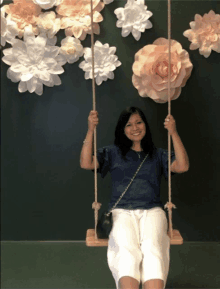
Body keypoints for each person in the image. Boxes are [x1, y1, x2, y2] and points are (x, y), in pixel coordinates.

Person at [80, 107, 189, 289]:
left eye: (139, 122)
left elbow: (182, 165)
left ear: (145, 125)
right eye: (129, 124)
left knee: (153, 248)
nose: (135, 128)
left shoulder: (158, 154)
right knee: (127, 250)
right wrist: (91, 129)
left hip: (152, 210)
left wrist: (173, 132)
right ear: (122, 129)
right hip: (121, 211)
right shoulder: (112, 153)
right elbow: (86, 163)